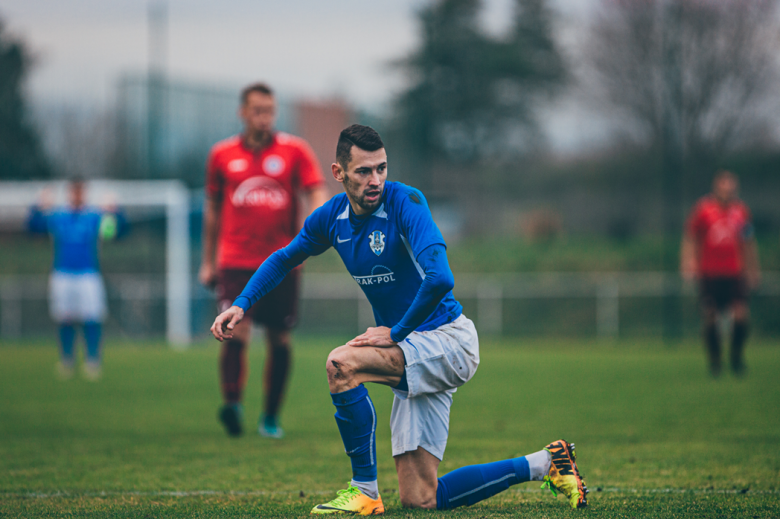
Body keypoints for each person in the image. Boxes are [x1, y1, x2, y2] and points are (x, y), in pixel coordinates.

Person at [210, 124, 588, 514]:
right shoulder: (331, 218)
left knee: (342, 363)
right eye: (363, 171)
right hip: (411, 348)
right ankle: (547, 463)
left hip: (447, 341)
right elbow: (284, 257)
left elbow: (441, 278)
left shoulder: (405, 201)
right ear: (339, 173)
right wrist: (241, 304)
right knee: (421, 498)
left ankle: (364, 491)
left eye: (381, 168)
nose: (375, 180)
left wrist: (397, 332)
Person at [200, 82, 329, 438]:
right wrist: (207, 261)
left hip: (282, 261)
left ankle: (270, 416)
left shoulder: (294, 151)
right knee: (234, 328)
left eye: (269, 111)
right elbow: (212, 209)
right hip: (235, 259)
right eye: (257, 111)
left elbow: (315, 188)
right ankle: (233, 404)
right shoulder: (222, 155)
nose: (264, 118)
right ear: (243, 112)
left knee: (279, 338)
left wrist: (319, 215)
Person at [27, 178, 127, 380]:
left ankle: (92, 360)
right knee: (65, 318)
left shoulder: (94, 217)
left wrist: (116, 211)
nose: (77, 195)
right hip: (62, 273)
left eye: (81, 191)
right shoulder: (58, 216)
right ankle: (67, 360)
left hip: (88, 274)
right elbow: (33, 227)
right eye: (74, 191)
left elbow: (116, 233)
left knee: (92, 317)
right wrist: (37, 207)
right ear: (69, 193)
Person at [681, 170, 761, 377]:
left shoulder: (741, 211)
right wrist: (688, 262)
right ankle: (715, 362)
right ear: (716, 186)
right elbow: (690, 237)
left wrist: (753, 269)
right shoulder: (703, 210)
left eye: (731, 186)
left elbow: (749, 242)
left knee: (741, 315)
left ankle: (736, 358)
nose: (728, 189)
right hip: (709, 273)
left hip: (735, 273)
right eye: (724, 185)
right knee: (711, 317)